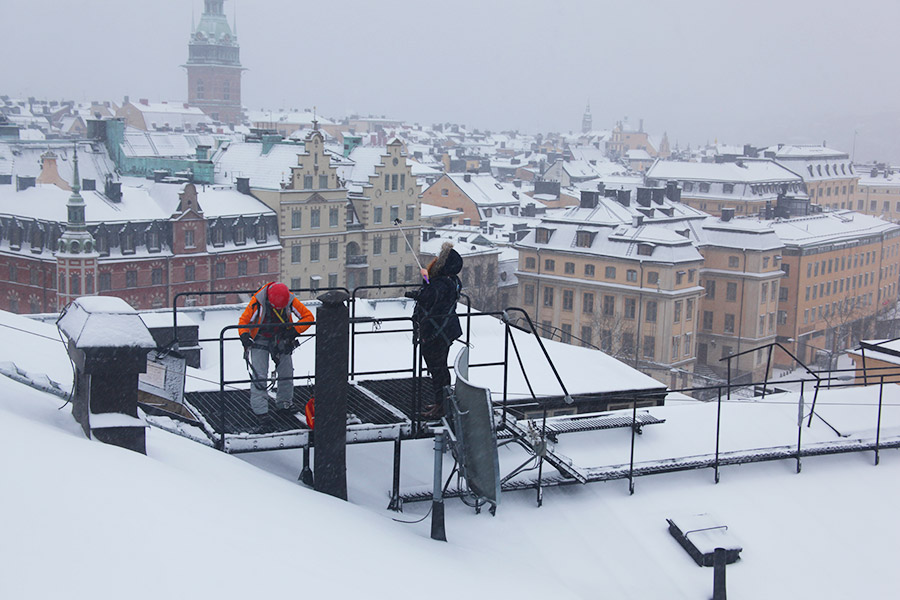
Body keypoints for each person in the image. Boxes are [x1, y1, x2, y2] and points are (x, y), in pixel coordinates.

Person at [238, 282, 314, 420]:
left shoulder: (290, 300)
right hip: (260, 339)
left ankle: (284, 404)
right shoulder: (258, 301)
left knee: (287, 372)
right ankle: (260, 411)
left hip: (282, 338)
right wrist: (244, 335)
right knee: (259, 374)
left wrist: (294, 331)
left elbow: (308, 317)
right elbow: (244, 321)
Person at [405, 242, 463, 418]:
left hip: (438, 333)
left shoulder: (442, 283)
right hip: (443, 331)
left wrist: (417, 293)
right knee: (439, 368)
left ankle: (442, 406)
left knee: (437, 368)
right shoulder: (451, 281)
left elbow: (431, 297)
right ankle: (441, 402)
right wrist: (427, 281)